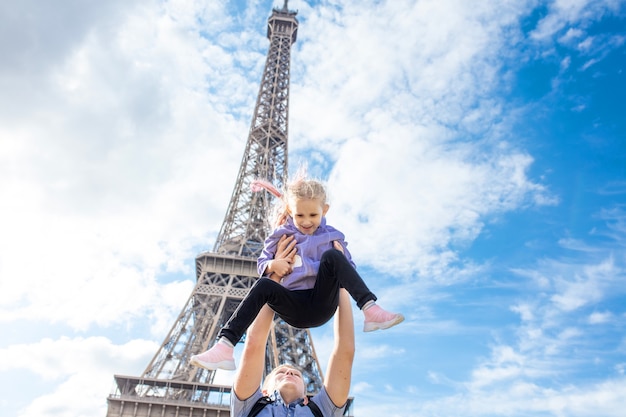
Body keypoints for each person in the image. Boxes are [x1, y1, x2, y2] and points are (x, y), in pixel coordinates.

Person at [191, 174, 403, 371]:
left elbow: (348, 271)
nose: (307, 221)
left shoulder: (333, 236)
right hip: (292, 303)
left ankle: (370, 308)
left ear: (325, 210)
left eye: (313, 214)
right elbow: (263, 262)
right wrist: (273, 265)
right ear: (290, 212)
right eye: (300, 215)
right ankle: (225, 346)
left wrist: (342, 257)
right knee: (264, 285)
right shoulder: (280, 235)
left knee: (333, 256)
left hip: (321, 301)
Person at [231, 288, 355, 417]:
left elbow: (344, 351)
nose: (289, 372)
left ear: (306, 398)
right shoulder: (248, 406)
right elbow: (254, 344)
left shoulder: (322, 409)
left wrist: (341, 286)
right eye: (280, 372)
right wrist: (273, 281)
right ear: (264, 392)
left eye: (297, 375)